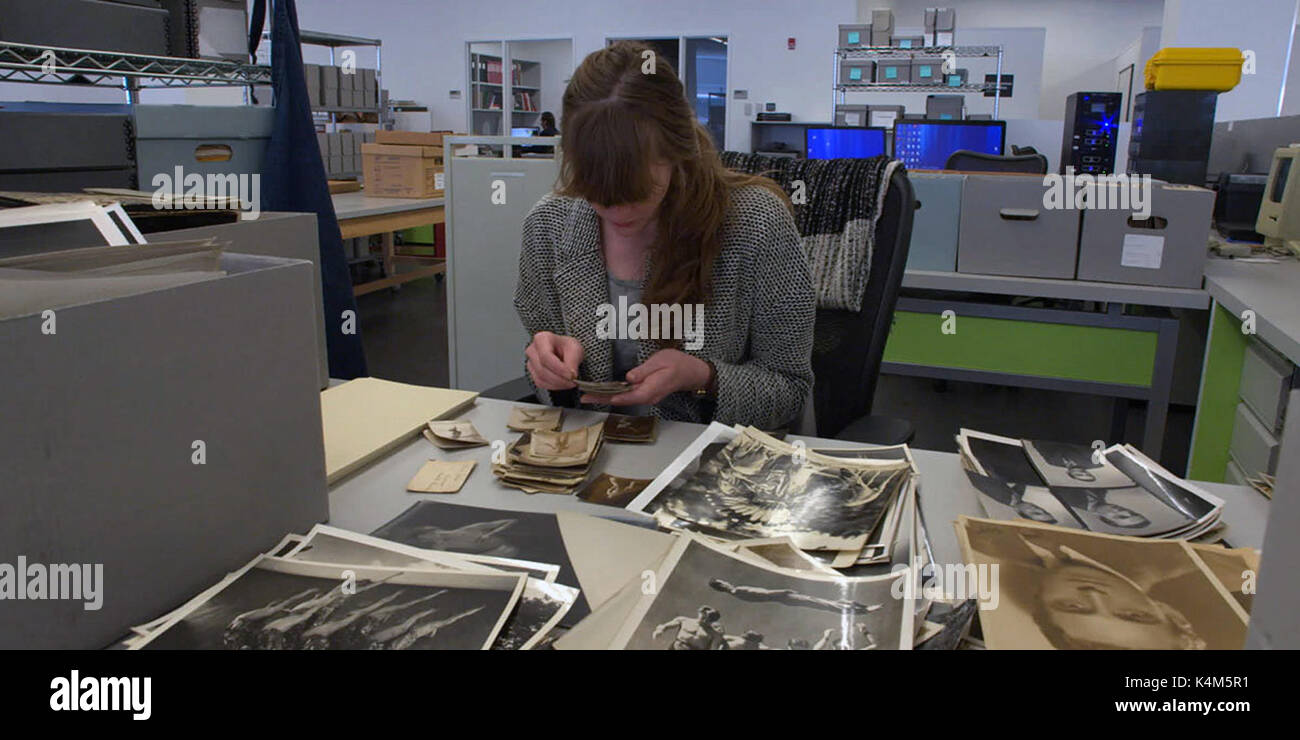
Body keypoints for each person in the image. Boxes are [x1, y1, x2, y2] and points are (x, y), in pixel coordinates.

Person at [514, 41, 814, 430]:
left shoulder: (756, 223)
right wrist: (546, 370)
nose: (616, 212)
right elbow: (543, 383)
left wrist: (704, 378)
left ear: (677, 152)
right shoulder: (548, 226)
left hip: (711, 469)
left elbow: (789, 392)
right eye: (594, 191)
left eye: (635, 192)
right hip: (588, 463)